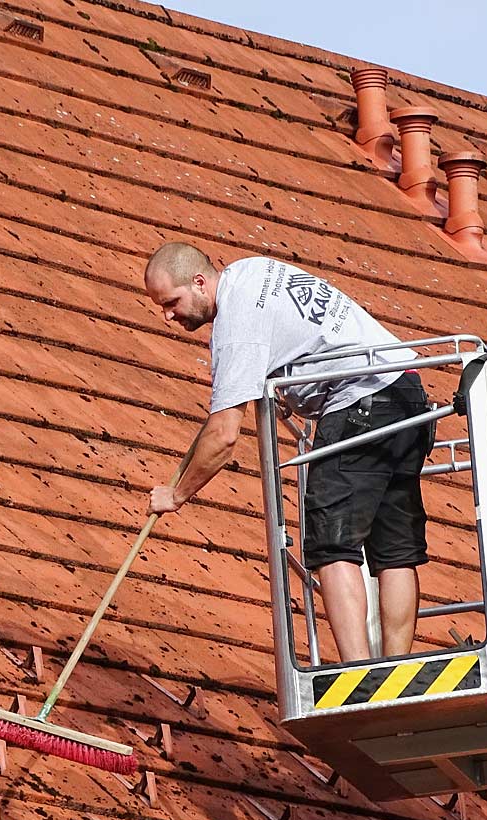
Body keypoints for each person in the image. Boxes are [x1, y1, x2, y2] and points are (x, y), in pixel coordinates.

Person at [145, 241, 430, 662]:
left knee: (333, 545)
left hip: (358, 403)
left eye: (171, 301)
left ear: (200, 282)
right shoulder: (252, 270)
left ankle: (359, 673)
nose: (168, 315)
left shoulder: (234, 324)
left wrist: (176, 495)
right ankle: (395, 669)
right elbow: (296, 338)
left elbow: (223, 436)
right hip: (406, 393)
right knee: (395, 550)